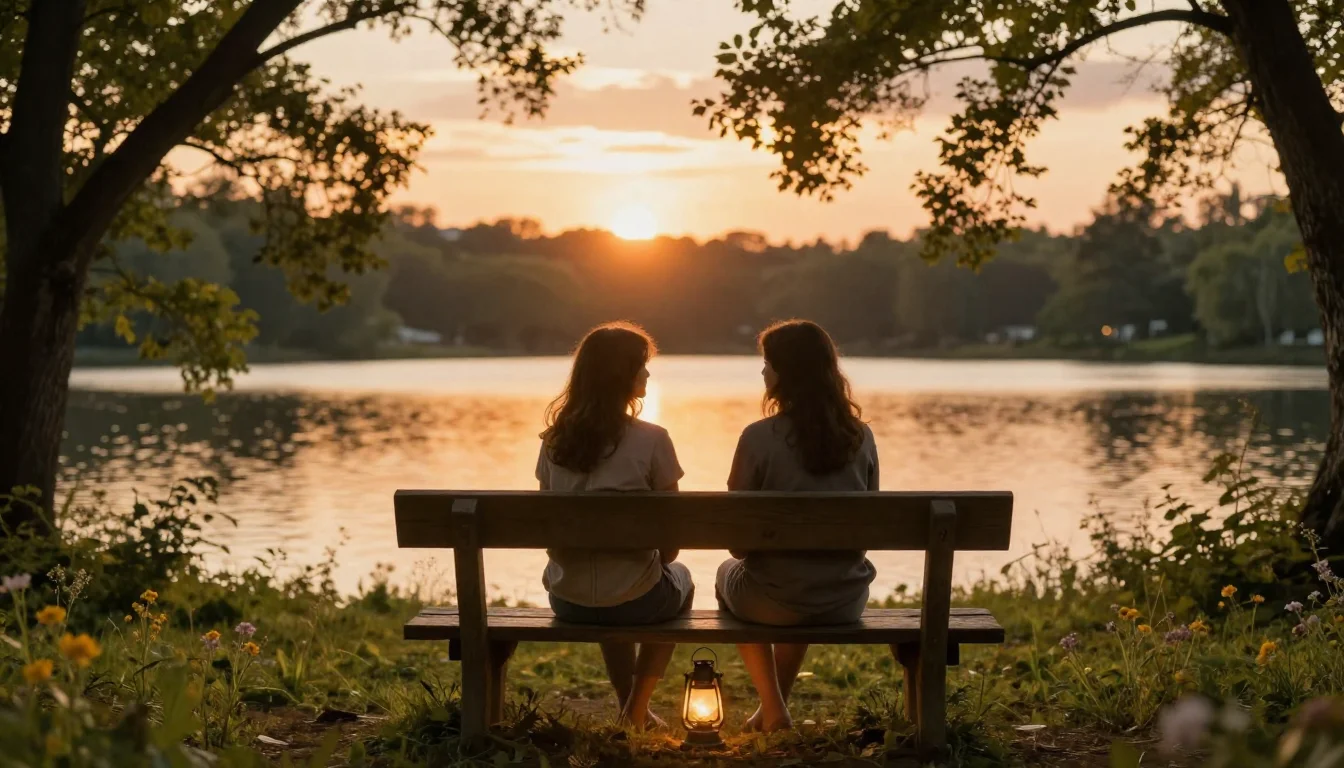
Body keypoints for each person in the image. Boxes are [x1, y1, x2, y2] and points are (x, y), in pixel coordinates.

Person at [716, 319, 879, 732]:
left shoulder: (757, 438)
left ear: (784, 373)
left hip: (774, 603)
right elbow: (870, 525)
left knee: (729, 577)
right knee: (800, 576)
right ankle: (773, 709)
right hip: (844, 600)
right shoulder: (860, 437)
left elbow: (737, 544)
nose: (763, 372)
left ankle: (772, 708)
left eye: (767, 363)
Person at [536, 321, 693, 729]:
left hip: (567, 601)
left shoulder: (553, 441)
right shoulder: (653, 439)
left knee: (614, 584)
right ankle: (636, 708)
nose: (647, 374)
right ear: (621, 375)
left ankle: (630, 707)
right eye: (641, 365)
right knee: (681, 578)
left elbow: (544, 522)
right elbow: (671, 544)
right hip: (636, 601)